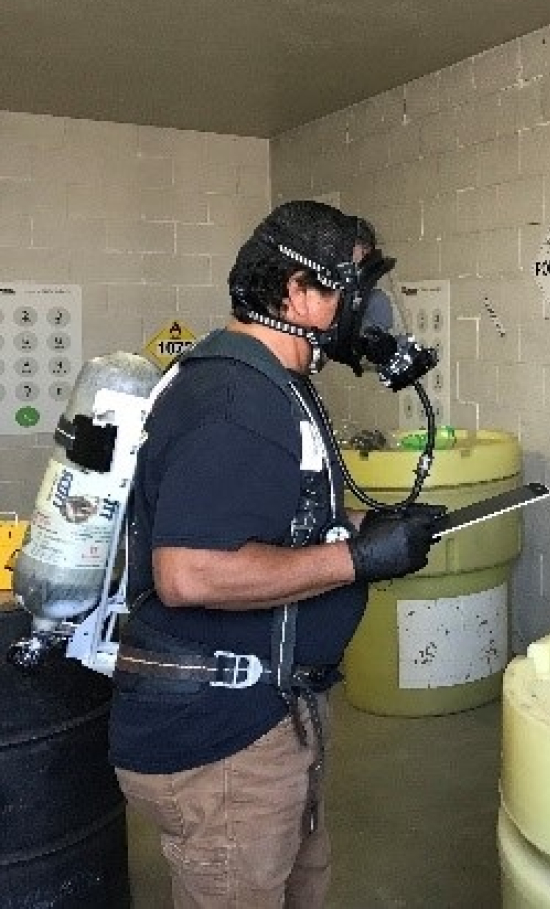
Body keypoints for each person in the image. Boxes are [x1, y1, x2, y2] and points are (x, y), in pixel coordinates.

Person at [108, 201, 443, 907]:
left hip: (270, 713)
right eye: (352, 286)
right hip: (227, 736)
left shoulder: (270, 382)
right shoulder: (236, 396)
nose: (369, 307)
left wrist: (367, 524)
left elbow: (273, 516)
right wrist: (358, 560)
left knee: (298, 883)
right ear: (295, 291)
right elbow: (189, 570)